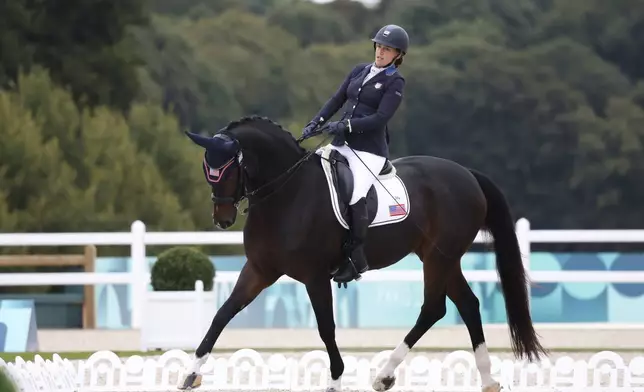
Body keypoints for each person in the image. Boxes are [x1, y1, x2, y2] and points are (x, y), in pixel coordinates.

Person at [301, 24, 409, 284]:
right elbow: (337, 99)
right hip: (340, 144)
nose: (380, 52)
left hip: (369, 151)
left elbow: (381, 117)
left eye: (387, 49)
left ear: (398, 55)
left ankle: (355, 256)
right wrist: (315, 122)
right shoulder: (359, 70)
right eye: (379, 46)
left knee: (355, 193)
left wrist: (347, 125)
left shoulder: (395, 82)